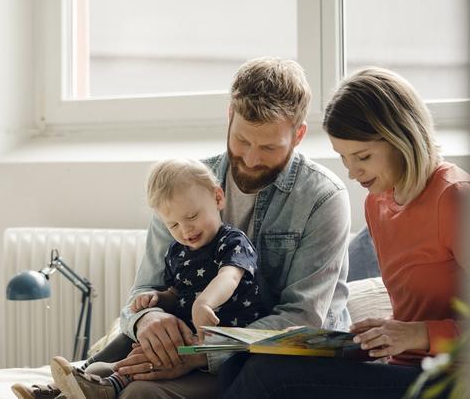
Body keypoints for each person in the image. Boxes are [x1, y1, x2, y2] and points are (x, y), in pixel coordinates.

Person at [104, 57, 352, 399]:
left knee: (140, 393)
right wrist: (148, 320)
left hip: (274, 359)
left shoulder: (322, 198)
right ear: (229, 116)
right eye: (242, 141)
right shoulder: (185, 185)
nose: (251, 159)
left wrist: (199, 353)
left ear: (298, 135)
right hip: (195, 341)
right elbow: (143, 291)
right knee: (118, 353)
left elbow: (302, 318)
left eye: (268, 147)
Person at [219, 67, 469, 399]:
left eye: (363, 156)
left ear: (401, 138)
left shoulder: (453, 198)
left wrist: (419, 335)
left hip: (450, 376)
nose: (352, 173)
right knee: (243, 360)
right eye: (344, 158)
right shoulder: (378, 203)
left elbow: (419, 330)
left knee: (271, 374)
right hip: (402, 366)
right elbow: (412, 315)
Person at [49, 158, 265, 399]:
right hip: (184, 334)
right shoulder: (177, 251)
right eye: (173, 224)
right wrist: (158, 299)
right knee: (132, 333)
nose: (186, 230)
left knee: (153, 356)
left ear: (217, 198)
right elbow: (176, 293)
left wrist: (205, 303)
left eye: (192, 216)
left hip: (220, 346)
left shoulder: (233, 241)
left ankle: (106, 385)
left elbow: (230, 277)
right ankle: (69, 385)